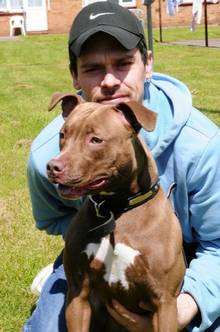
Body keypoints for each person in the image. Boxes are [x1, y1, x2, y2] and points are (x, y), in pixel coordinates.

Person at [24, 1, 220, 331]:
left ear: (148, 65)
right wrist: (89, 240)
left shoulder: (201, 144)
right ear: (74, 76)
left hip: (190, 252)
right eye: (93, 68)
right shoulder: (49, 153)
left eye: (124, 63)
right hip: (93, 240)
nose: (111, 81)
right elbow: (53, 217)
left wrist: (187, 305)